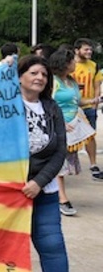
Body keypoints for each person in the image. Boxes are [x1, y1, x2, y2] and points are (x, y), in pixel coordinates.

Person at [17, 54, 93, 272]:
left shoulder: (51, 108)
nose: (39, 78)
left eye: (44, 74)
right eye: (33, 73)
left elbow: (60, 150)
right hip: (9, 195)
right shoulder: (4, 107)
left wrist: (38, 182)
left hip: (44, 191)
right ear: (19, 77)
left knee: (52, 246)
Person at [49, 47, 93, 216]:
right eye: (72, 61)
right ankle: (62, 199)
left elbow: (77, 101)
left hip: (73, 128)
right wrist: (59, 122)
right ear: (64, 63)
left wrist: (95, 100)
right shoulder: (54, 82)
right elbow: (48, 103)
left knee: (64, 163)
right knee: (59, 163)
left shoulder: (71, 81)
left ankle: (58, 196)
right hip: (59, 128)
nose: (75, 63)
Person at [73, 38, 103, 180]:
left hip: (89, 106)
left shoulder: (94, 66)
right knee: (69, 137)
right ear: (77, 50)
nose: (89, 52)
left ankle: (93, 164)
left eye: (90, 49)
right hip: (71, 108)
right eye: (86, 49)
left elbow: (97, 86)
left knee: (90, 136)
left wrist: (95, 104)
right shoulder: (69, 64)